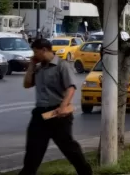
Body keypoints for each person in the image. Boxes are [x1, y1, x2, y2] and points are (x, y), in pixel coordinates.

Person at [17, 38, 92, 175]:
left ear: (44, 50)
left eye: (35, 52)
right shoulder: (39, 68)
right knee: (33, 150)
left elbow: (71, 87)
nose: (34, 55)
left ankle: (85, 172)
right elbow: (27, 84)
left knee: (68, 148)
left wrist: (63, 106)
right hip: (40, 114)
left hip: (58, 114)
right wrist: (31, 66)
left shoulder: (62, 66)